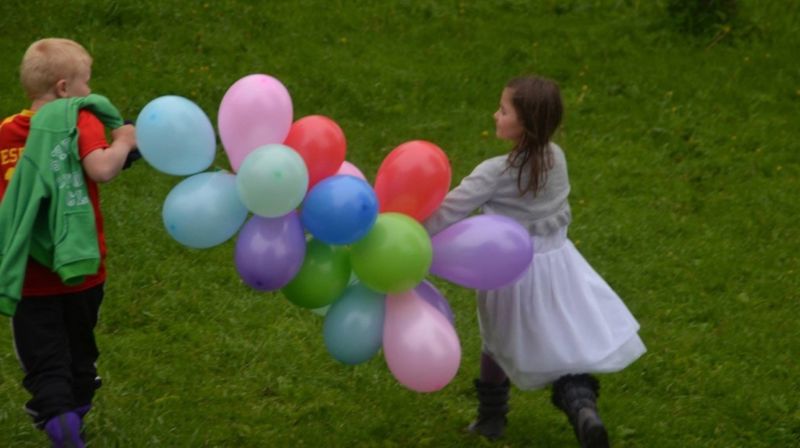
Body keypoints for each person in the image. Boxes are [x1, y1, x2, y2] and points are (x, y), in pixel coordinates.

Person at [424, 76, 646, 448]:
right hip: (559, 266)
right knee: (562, 345)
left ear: (524, 123)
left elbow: (447, 212)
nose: (496, 114)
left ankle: (491, 418)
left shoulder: (494, 172)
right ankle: (583, 410)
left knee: (496, 341)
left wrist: (408, 227)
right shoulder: (557, 158)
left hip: (510, 273)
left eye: (504, 110)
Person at [0, 38, 137, 447]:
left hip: (29, 278)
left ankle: (59, 418)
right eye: (86, 83)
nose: (89, 92)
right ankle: (74, 414)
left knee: (45, 363)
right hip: (82, 271)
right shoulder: (79, 120)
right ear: (63, 88)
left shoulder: (6, 132)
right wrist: (126, 142)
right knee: (80, 352)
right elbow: (101, 169)